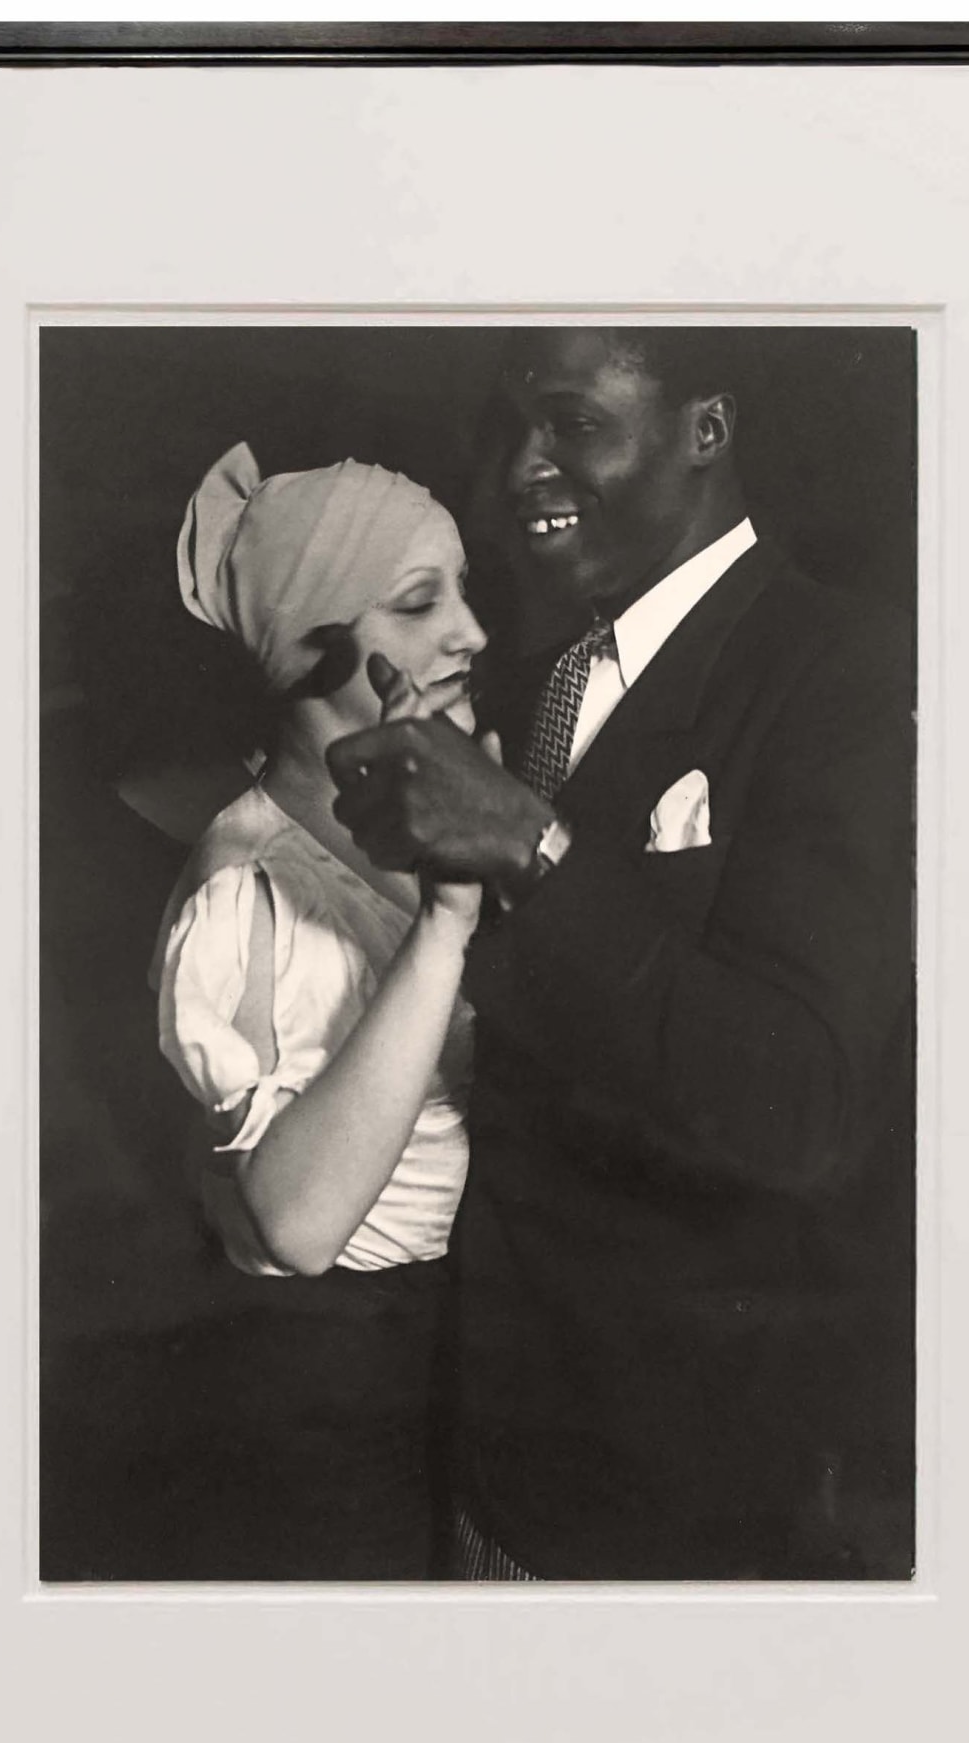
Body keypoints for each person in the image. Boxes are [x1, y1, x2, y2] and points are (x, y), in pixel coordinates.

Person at [329, 328, 916, 1581]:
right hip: (491, 1451)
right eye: (509, 430)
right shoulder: (537, 673)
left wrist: (530, 846)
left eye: (573, 423)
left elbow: (804, 1103)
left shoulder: (846, 671)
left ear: (709, 427)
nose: (520, 469)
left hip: (685, 1502)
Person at [150, 442, 489, 1579]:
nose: (471, 632)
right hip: (335, 1387)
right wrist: (445, 928)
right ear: (308, 652)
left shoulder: (411, 816)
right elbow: (298, 1226)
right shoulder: (247, 890)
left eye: (464, 589)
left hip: (453, 1346)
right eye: (419, 600)